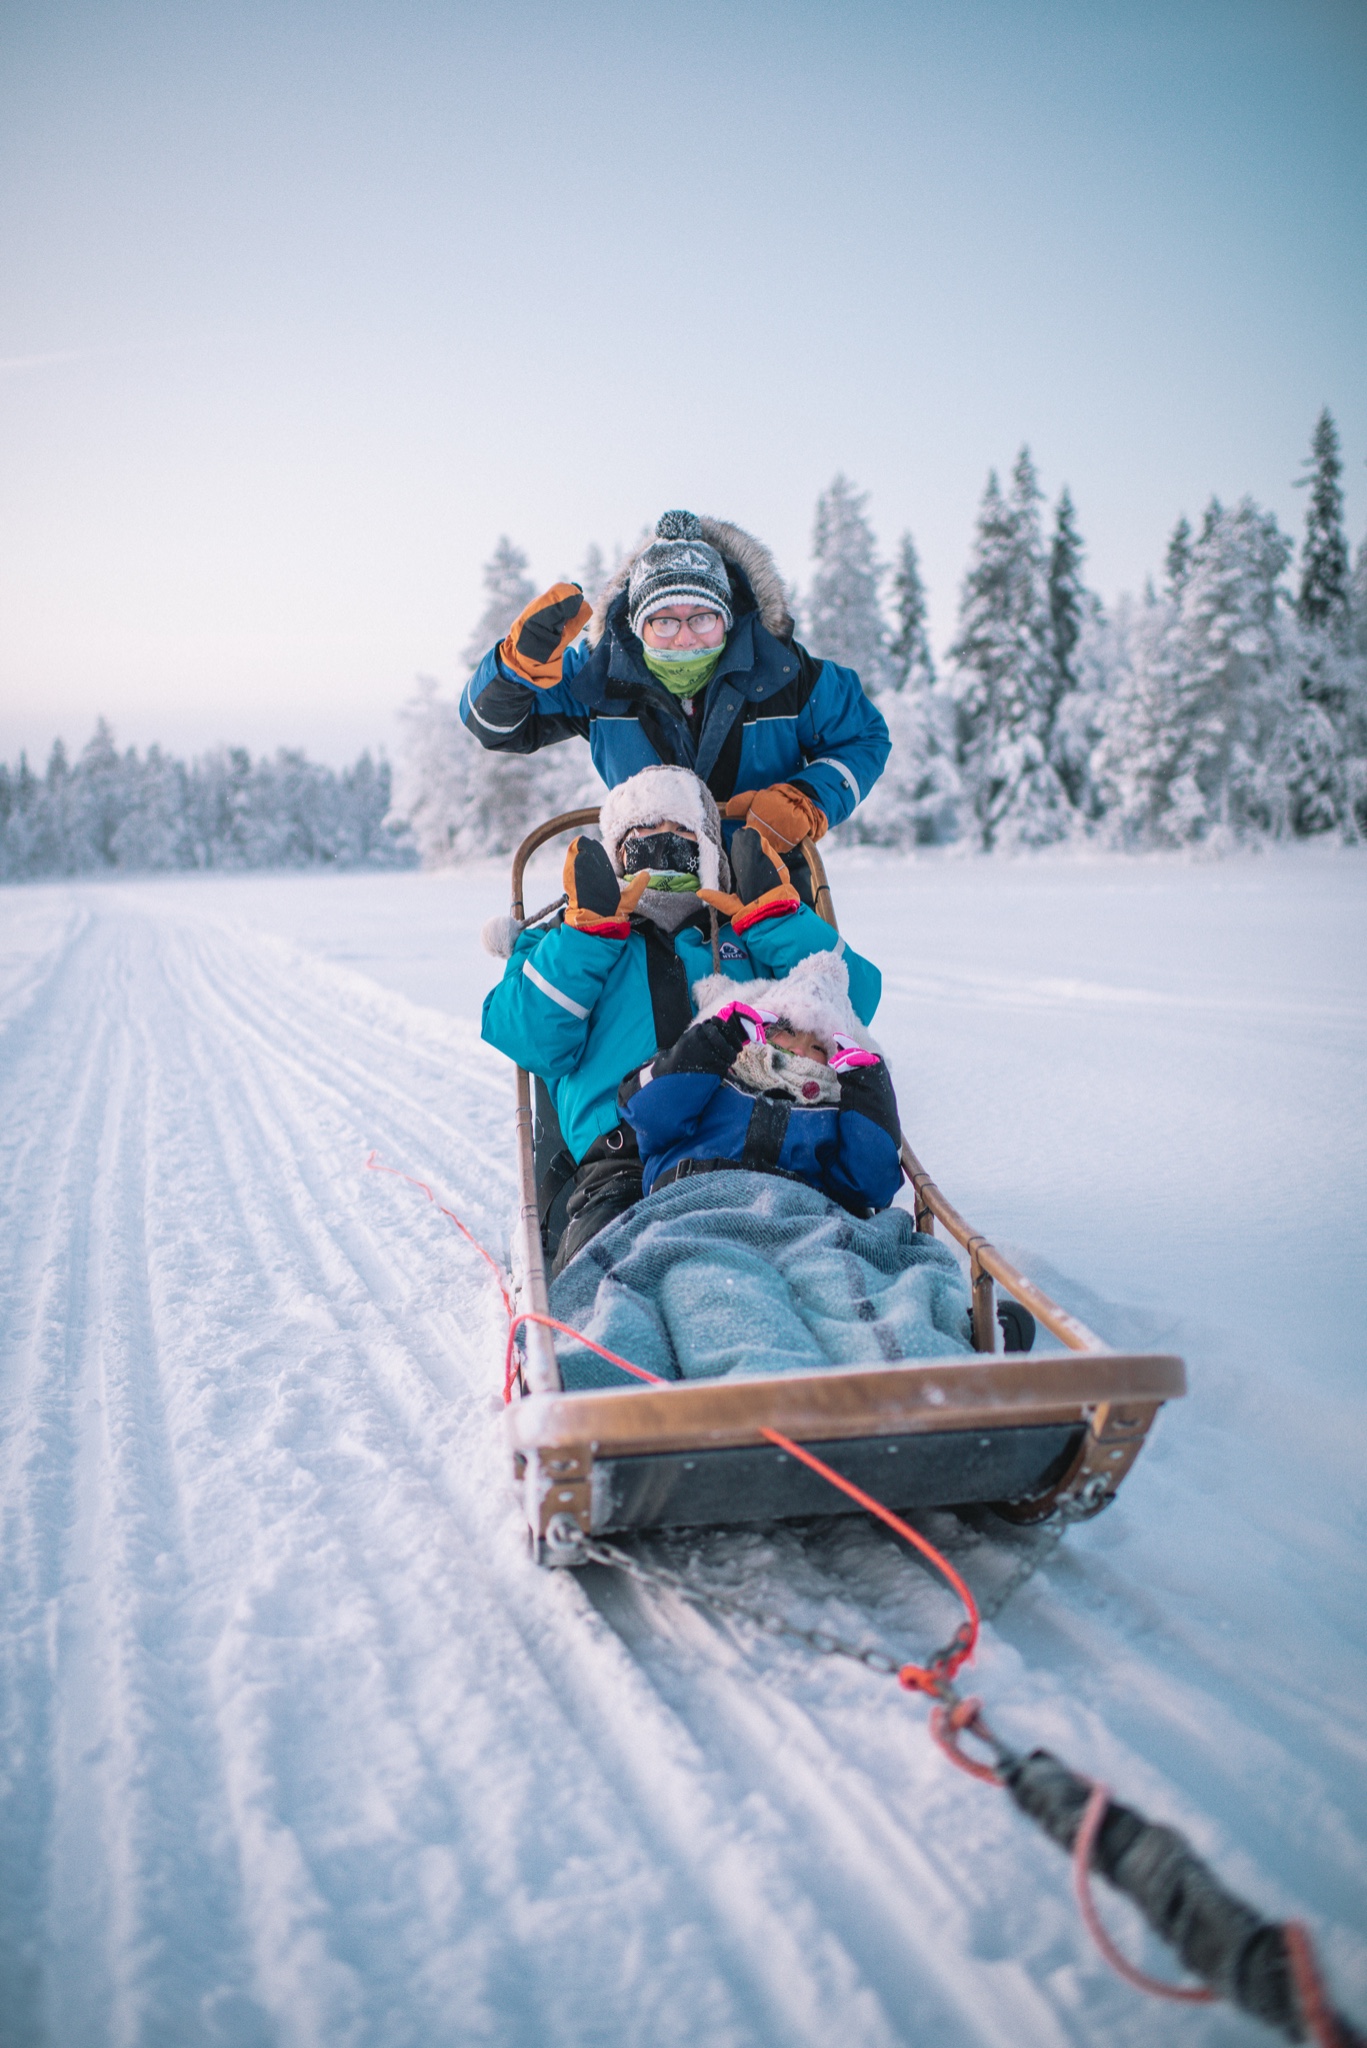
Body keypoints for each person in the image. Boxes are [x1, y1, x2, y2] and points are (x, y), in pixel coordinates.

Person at [479, 763, 883, 1272]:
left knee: (826, 1251)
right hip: (624, 1162)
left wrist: (775, 923)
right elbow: (531, 1038)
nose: (662, 848)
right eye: (642, 836)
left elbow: (856, 1004)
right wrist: (588, 938)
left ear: (710, 848)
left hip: (756, 1139)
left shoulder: (748, 931)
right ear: (615, 855)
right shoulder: (563, 938)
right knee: (624, 1274)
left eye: (680, 834)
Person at [548, 951, 976, 1387]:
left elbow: (872, 1183)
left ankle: (918, 1380)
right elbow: (647, 1110)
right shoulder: (716, 1078)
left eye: (819, 1046)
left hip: (809, 1224)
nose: (800, 1051)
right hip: (699, 1214)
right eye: (785, 1032)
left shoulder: (831, 1105)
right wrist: (716, 1038)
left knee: (846, 1287)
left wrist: (868, 1090)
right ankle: (767, 1388)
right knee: (721, 1290)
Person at [461, 510, 891, 881]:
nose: (685, 638)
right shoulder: (600, 676)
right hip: (644, 888)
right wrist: (516, 670)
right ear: (637, 626)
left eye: (702, 618)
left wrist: (808, 799)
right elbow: (496, 729)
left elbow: (863, 737)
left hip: (767, 882)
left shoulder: (784, 673)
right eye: (664, 621)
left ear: (727, 617)